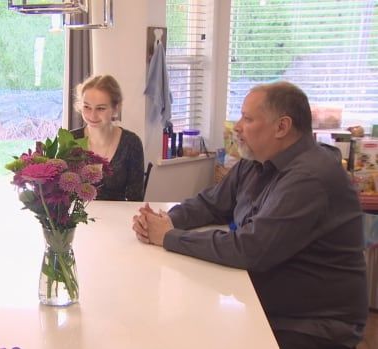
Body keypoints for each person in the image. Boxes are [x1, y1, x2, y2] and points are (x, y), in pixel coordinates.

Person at [132, 81, 368, 349]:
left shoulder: (310, 177)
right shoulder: (255, 160)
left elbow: (251, 249)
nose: (238, 127)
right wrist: (167, 220)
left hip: (313, 323)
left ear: (282, 127)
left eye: (247, 118)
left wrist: (169, 237)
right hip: (269, 302)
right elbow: (211, 204)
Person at [71, 75, 145, 201]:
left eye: (100, 108)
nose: (92, 115)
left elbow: (135, 199)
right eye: (87, 107)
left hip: (118, 218)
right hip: (77, 218)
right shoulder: (70, 140)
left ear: (116, 108)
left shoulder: (131, 143)